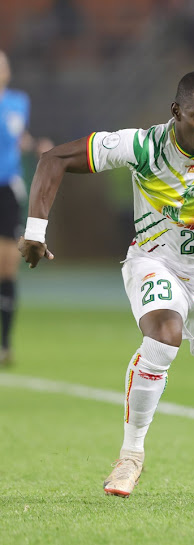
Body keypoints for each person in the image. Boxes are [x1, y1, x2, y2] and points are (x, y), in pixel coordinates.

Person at [19, 70, 194, 497]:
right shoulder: (143, 146)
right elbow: (53, 159)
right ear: (176, 112)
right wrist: (35, 231)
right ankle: (130, 457)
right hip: (155, 260)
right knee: (164, 335)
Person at [0, 50, 52, 367]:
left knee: (6, 269)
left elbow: (18, 138)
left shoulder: (19, 102)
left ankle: (4, 344)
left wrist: (35, 145)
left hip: (7, 189)